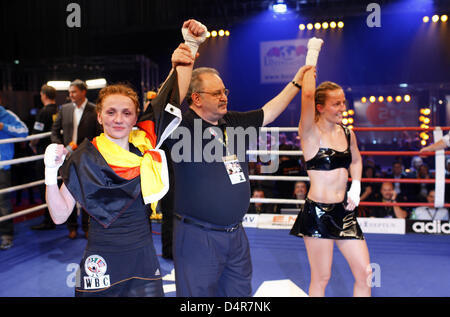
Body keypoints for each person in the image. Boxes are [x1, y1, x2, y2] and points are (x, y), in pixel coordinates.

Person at [44, 19, 205, 296]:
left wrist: (190, 47)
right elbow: (59, 216)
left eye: (127, 113)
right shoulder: (84, 157)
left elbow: (169, 100)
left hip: (143, 257)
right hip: (100, 259)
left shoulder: (144, 142)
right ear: (99, 115)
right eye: (111, 112)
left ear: (135, 117)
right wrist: (49, 172)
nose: (118, 119)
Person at [165, 62, 313, 296]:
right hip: (197, 236)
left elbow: (271, 111)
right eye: (216, 93)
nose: (224, 97)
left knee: (239, 297)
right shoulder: (180, 127)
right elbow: (164, 107)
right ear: (196, 98)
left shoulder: (232, 122)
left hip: (236, 235)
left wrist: (296, 82)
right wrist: (185, 61)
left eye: (225, 91)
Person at [289, 37, 372, 297]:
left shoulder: (347, 133)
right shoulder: (309, 132)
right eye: (337, 104)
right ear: (320, 107)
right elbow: (309, 92)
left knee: (366, 273)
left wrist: (356, 186)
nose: (343, 108)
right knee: (321, 278)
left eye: (344, 102)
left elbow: (356, 160)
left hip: (344, 213)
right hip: (317, 214)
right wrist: (313, 54)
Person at [51, 79, 102, 239]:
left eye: (73, 91)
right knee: (68, 191)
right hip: (66, 159)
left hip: (87, 158)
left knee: (88, 193)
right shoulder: (64, 109)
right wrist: (60, 148)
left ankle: (87, 227)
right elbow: (54, 131)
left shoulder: (94, 110)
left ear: (83, 92)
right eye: (69, 92)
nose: (70, 95)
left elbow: (99, 135)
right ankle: (71, 227)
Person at [0, 97, 29, 250]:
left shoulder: (6, 114)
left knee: (2, 202)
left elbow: (24, 131)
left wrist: (3, 126)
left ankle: (6, 236)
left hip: (2, 166)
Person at [30, 84, 59, 230]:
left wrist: (32, 144)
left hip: (44, 154)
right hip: (56, 154)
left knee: (45, 186)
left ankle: (49, 220)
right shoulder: (59, 110)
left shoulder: (43, 112)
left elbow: (36, 134)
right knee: (56, 185)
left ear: (44, 95)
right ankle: (56, 217)